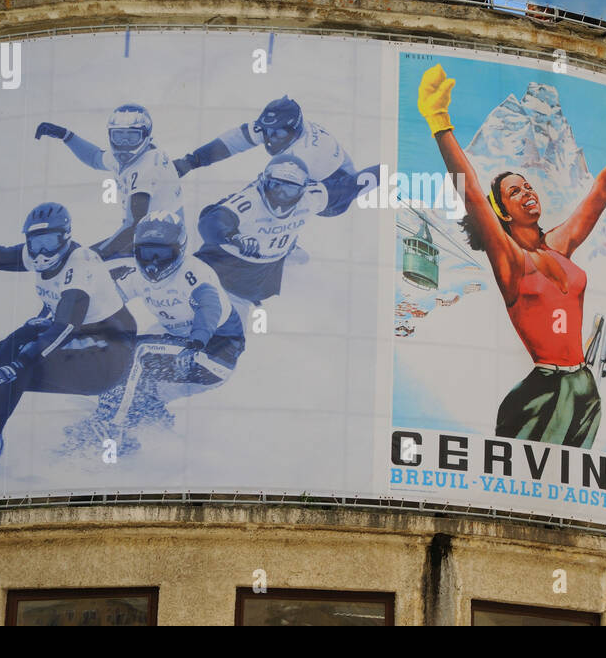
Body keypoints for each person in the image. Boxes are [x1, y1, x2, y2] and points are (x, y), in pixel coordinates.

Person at [417, 64, 606, 449]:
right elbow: (470, 190)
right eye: (515, 192)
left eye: (528, 186)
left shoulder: (558, 245)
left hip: (583, 386)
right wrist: (440, 123)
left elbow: (597, 198)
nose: (528, 193)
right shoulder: (510, 260)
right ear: (502, 212)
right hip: (544, 391)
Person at [0, 202, 137, 472]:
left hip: (108, 357)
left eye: (50, 242)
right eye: (36, 243)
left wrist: (20, 363)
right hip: (81, 338)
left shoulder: (80, 265)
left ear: (66, 238)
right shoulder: (37, 255)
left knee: (20, 361)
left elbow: (65, 326)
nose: (42, 252)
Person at [65, 211, 247, 454]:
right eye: (145, 253)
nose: (152, 264)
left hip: (214, 353)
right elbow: (110, 302)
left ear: (180, 250)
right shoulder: (138, 275)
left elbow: (208, 306)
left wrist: (197, 340)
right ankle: (149, 422)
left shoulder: (194, 274)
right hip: (184, 346)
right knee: (123, 356)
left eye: (162, 255)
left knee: (137, 353)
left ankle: (111, 425)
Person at [173, 95, 377, 216]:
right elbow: (232, 142)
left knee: (277, 198)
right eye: (266, 131)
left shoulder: (303, 153)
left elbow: (263, 193)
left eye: (277, 134)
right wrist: (190, 161)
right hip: (323, 169)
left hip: (334, 192)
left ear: (293, 130)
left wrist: (226, 208)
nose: (270, 138)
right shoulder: (278, 128)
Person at [194, 154, 343, 314]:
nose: (281, 196)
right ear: (264, 181)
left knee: (298, 253)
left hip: (268, 253)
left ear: (302, 189)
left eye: (290, 190)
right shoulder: (250, 200)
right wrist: (234, 236)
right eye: (276, 187)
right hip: (237, 247)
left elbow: (348, 188)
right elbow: (211, 220)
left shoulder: (310, 197)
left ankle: (288, 248)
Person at [34, 104, 183, 260]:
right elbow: (95, 158)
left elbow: (134, 227)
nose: (124, 143)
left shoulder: (145, 169)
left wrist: (90, 256)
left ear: (146, 135)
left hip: (157, 242)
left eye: (132, 136)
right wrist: (65, 135)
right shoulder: (140, 154)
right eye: (118, 135)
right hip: (160, 233)